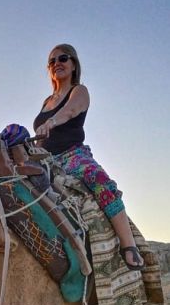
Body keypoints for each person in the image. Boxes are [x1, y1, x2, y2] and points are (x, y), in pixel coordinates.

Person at [33, 44, 145, 271]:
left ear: (73, 64)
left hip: (73, 156)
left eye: (63, 58)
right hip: (46, 161)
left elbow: (71, 111)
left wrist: (51, 123)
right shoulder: (47, 101)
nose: (57, 63)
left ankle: (128, 245)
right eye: (52, 61)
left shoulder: (79, 91)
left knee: (99, 180)